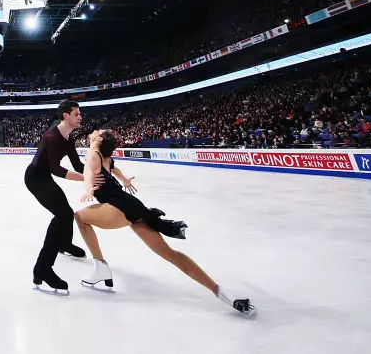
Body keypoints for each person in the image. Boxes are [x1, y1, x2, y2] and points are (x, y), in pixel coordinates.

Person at [74, 130, 254, 314]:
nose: (94, 131)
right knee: (170, 253)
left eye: (98, 132)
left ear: (99, 140)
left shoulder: (93, 153)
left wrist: (88, 189)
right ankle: (221, 292)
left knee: (79, 217)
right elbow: (114, 169)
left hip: (118, 207)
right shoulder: (105, 158)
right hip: (133, 207)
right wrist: (124, 180)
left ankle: (100, 267)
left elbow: (88, 172)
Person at [24, 99, 103, 291]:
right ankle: (42, 268)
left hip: (45, 178)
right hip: (35, 179)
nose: (80, 117)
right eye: (76, 114)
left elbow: (77, 166)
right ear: (65, 116)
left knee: (66, 212)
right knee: (62, 215)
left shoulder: (69, 139)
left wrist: (97, 173)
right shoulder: (51, 137)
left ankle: (64, 244)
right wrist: (86, 179)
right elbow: (56, 169)